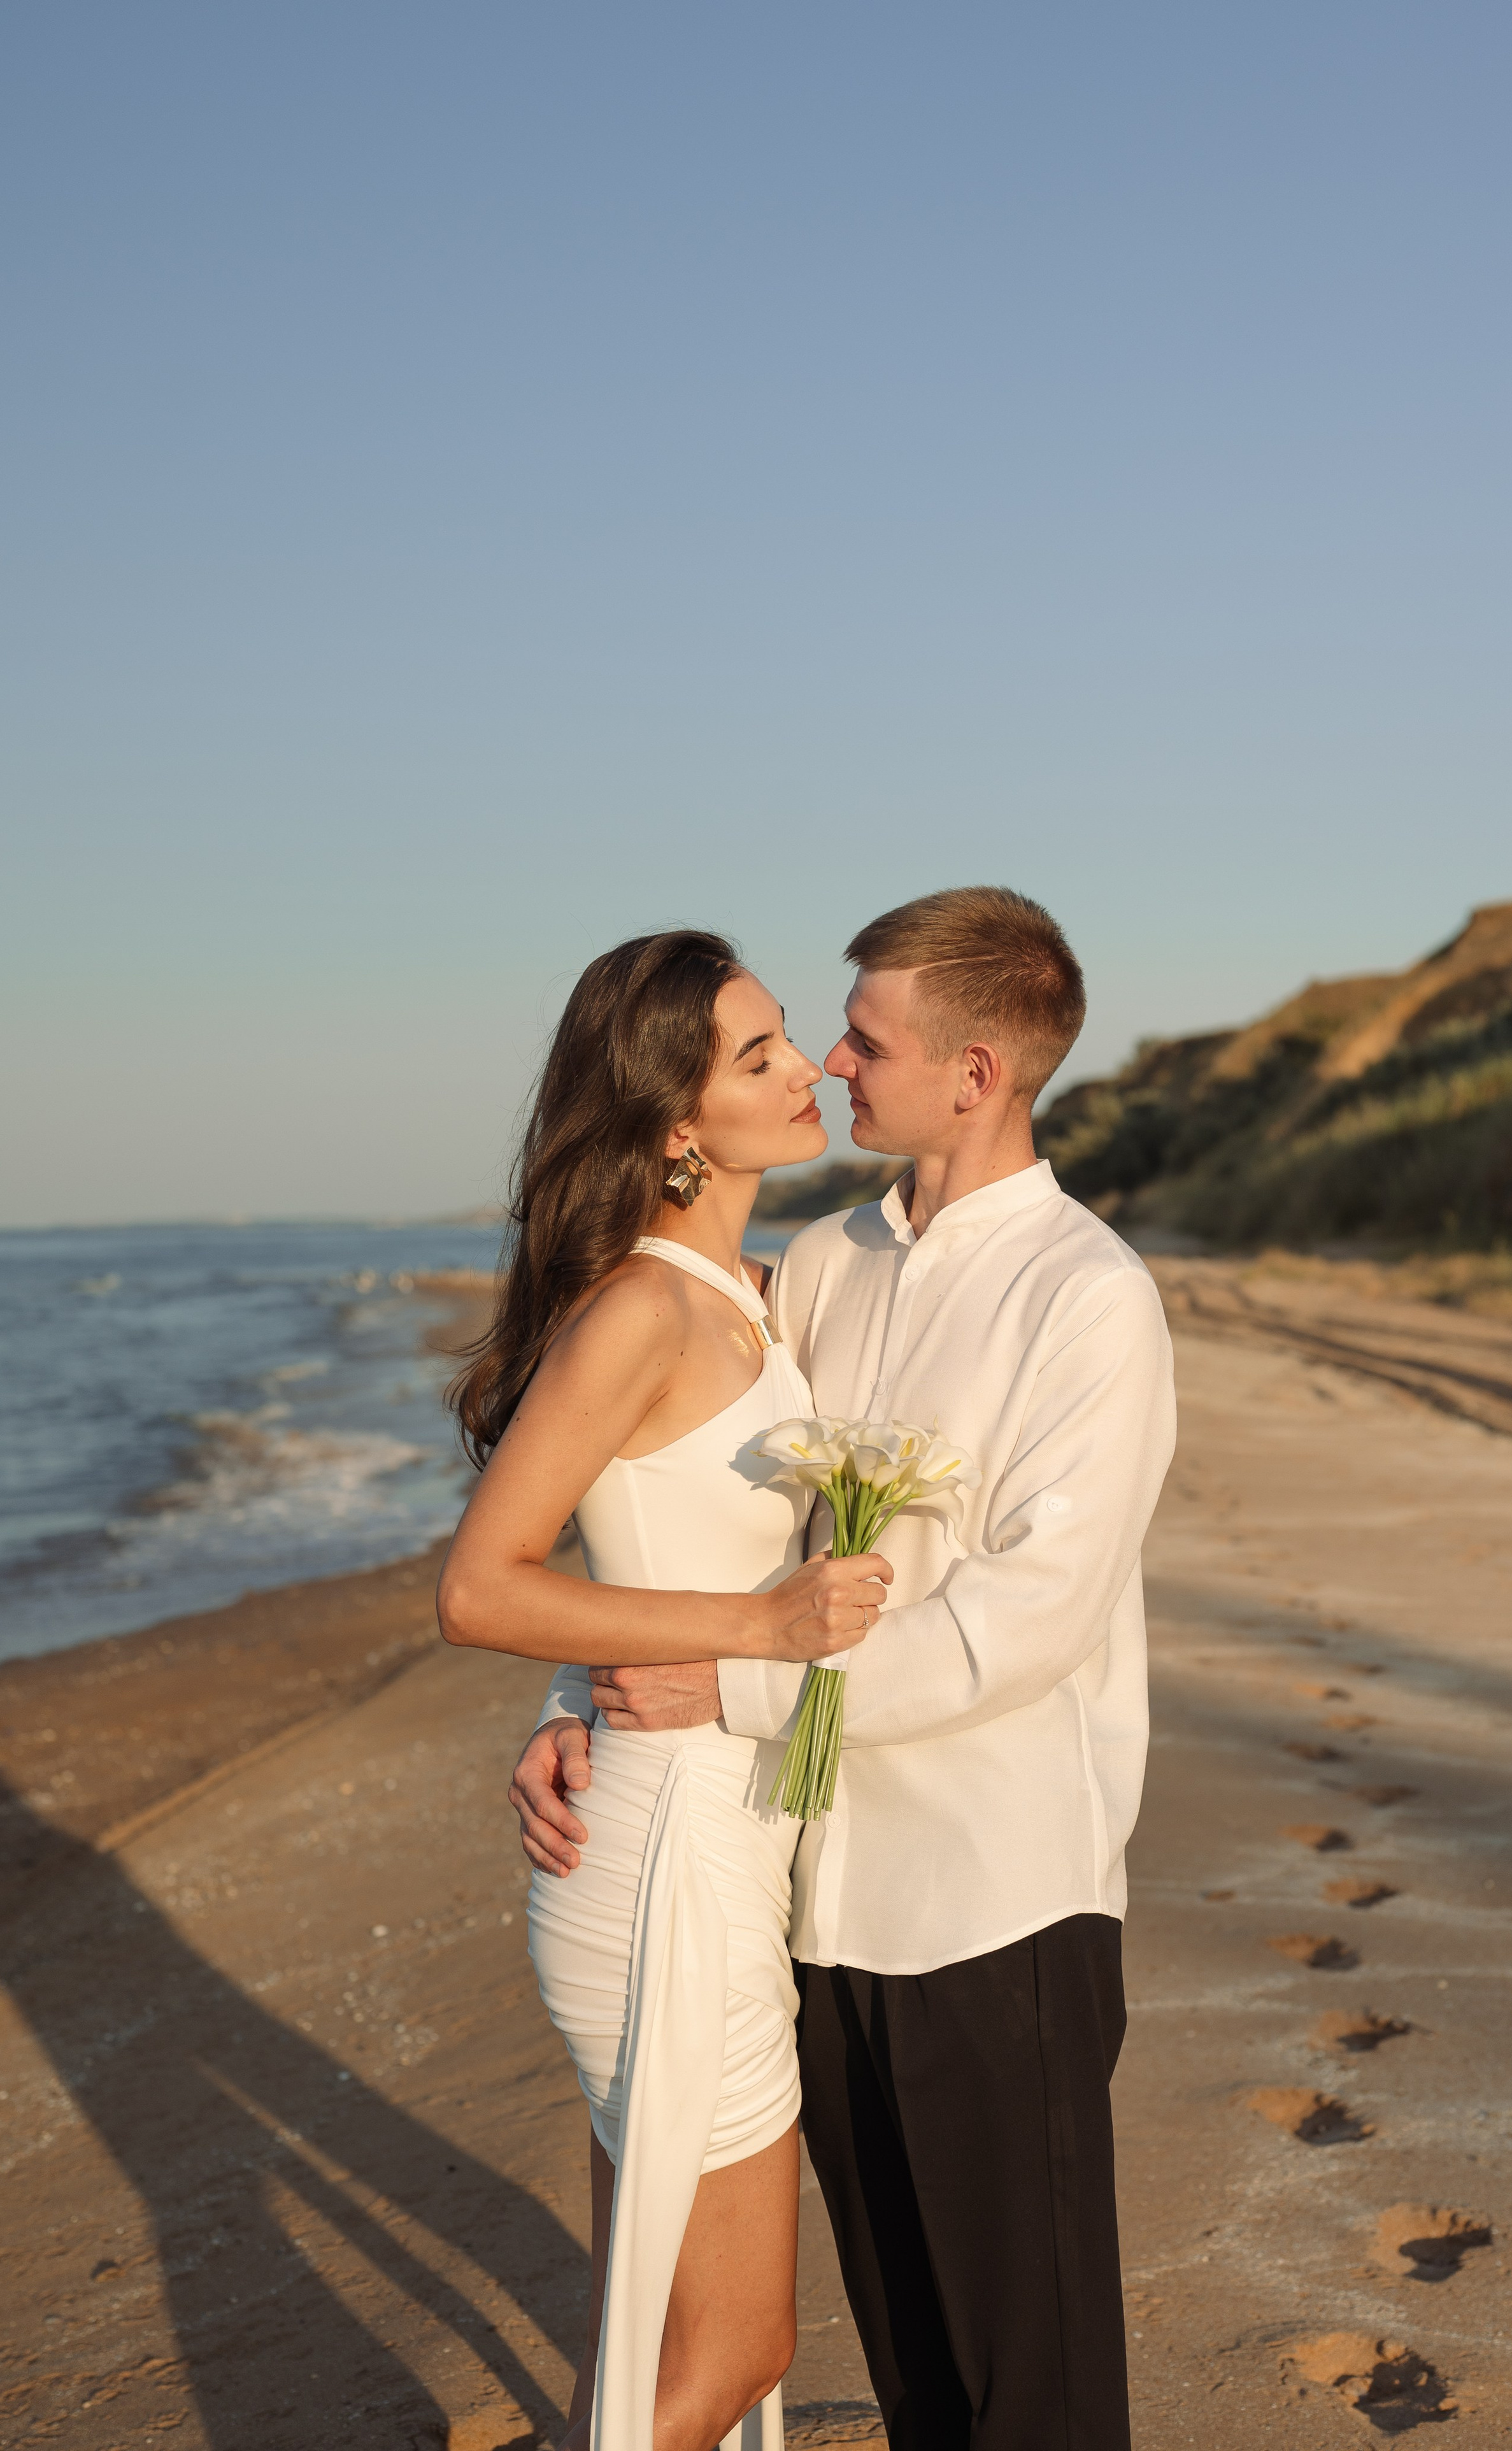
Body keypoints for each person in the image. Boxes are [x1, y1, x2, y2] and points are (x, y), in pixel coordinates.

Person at [511, 885, 1178, 2451]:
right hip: (810, 1910)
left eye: (863, 1037)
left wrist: (732, 1691)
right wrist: (571, 1703)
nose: (829, 1057)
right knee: (913, 2389)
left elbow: (1022, 1626)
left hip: (993, 1908)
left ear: (976, 1072)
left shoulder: (1088, 1300)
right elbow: (693, 1536)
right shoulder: (818, 1263)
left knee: (1036, 2399)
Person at [436, 927, 891, 2451]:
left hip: (707, 1831)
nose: (810, 1065)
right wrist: (756, 1627)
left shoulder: (752, 1294)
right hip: (662, 1859)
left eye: (791, 1039)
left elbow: (625, 1547)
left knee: (646, 2340)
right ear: (673, 1123)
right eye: (757, 1056)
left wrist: (578, 1690)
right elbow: (478, 1580)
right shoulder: (642, 1309)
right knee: (736, 2341)